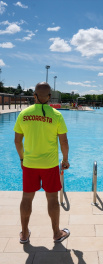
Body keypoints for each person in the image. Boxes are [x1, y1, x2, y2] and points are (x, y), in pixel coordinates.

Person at [14, 82, 70, 244]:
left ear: (34, 96)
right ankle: (56, 233)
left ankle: (24, 234)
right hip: (50, 164)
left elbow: (17, 141)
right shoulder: (56, 115)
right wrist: (65, 160)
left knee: (26, 198)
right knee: (52, 198)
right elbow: (64, 141)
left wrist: (22, 158)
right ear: (50, 97)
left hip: (30, 164)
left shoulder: (23, 114)